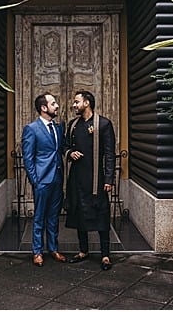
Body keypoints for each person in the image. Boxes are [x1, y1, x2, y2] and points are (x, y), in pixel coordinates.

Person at [62, 91, 117, 270]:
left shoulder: (103, 124)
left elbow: (109, 154)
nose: (74, 105)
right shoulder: (73, 125)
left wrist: (109, 178)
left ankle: (105, 255)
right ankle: (83, 250)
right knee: (79, 215)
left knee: (101, 216)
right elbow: (65, 146)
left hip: (97, 180)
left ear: (87, 103)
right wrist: (70, 153)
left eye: (77, 102)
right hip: (77, 179)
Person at [21, 93, 69, 267]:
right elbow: (28, 157)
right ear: (43, 107)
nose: (57, 106)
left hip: (57, 179)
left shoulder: (58, 128)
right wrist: (35, 180)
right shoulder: (31, 129)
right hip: (42, 180)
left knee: (54, 217)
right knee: (39, 217)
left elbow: (61, 149)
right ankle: (37, 251)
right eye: (53, 103)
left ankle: (53, 249)